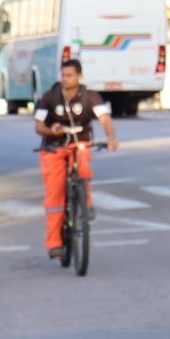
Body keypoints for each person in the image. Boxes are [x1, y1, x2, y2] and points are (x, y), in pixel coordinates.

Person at [35, 58, 118, 260]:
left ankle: (85, 204)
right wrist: (51, 130)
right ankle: (55, 244)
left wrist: (111, 138)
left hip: (79, 144)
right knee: (54, 195)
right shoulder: (50, 96)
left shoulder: (89, 96)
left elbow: (104, 118)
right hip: (53, 148)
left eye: (69, 75)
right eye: (63, 75)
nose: (65, 79)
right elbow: (38, 126)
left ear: (79, 76)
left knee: (83, 168)